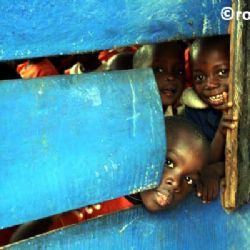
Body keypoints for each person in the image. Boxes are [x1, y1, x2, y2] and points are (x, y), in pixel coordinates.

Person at [9, 116, 209, 243]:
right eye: (169, 162)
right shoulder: (93, 193)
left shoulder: (168, 225)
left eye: (189, 180)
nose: (175, 183)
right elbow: (20, 238)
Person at [184, 35, 238, 203]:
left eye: (222, 72)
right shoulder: (194, 112)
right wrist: (221, 133)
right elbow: (202, 167)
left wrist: (218, 170)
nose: (210, 84)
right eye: (200, 77)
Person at [133, 41, 186, 116]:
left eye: (179, 71)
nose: (171, 77)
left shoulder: (182, 118)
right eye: (158, 70)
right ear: (136, 75)